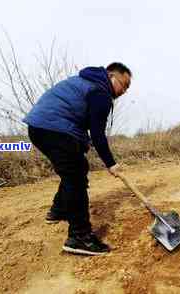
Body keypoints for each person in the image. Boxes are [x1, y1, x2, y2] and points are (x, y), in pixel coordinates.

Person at [23, 62, 132, 256]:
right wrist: (111, 164)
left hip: (39, 127)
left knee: (75, 169)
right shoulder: (101, 93)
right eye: (123, 84)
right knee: (76, 178)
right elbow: (98, 134)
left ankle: (58, 210)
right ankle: (79, 237)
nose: (124, 91)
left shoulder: (85, 82)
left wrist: (82, 142)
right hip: (54, 128)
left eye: (127, 88)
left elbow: (79, 120)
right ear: (111, 76)